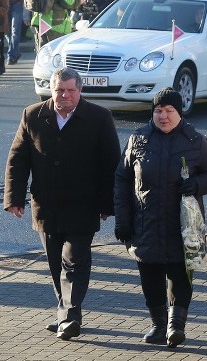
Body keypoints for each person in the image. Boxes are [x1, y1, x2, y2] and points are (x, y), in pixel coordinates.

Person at [4, 67, 120, 340]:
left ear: (80, 91)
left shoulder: (99, 117)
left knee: (75, 261)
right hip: (46, 206)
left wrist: (108, 204)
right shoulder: (33, 115)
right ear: (52, 89)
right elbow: (18, 159)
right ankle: (64, 312)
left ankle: (69, 316)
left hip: (83, 206)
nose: (64, 96)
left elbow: (110, 164)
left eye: (70, 90)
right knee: (56, 264)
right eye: (59, 90)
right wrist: (14, 198)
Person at [114, 87, 207, 347]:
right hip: (145, 222)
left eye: (169, 111)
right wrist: (122, 220)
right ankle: (158, 325)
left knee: (180, 273)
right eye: (158, 111)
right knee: (149, 274)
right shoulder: (138, 139)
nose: (163, 116)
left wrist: (196, 185)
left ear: (179, 113)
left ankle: (176, 325)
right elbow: (122, 178)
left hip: (182, 224)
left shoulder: (194, 140)